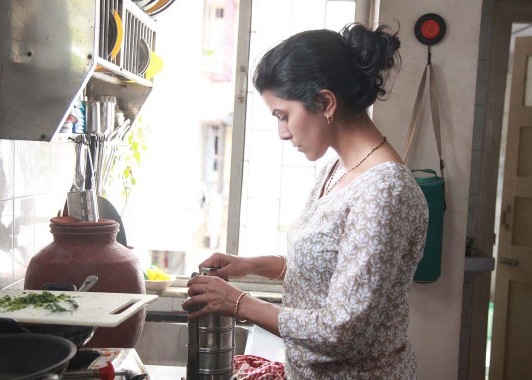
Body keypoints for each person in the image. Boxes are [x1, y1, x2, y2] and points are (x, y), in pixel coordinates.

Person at [182, 23, 428, 379]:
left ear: (326, 103)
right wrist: (251, 265)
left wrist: (238, 303)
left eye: (283, 115)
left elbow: (341, 331)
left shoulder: (384, 192)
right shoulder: (338, 169)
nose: (283, 132)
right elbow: (325, 271)